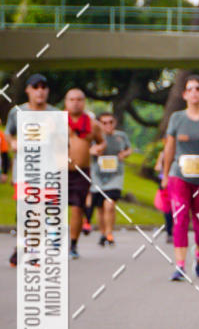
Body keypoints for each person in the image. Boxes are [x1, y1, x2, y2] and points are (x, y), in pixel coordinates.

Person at [161, 74, 199, 280]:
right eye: (190, 89)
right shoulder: (177, 118)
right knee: (180, 218)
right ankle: (180, 266)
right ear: (184, 95)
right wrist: (165, 174)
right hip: (179, 177)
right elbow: (170, 147)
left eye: (198, 88)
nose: (194, 92)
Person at [5, 74, 57, 266]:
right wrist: (13, 143)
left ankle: (32, 252)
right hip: (24, 170)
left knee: (38, 211)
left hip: (46, 170)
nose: (40, 91)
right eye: (36, 87)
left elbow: (63, 141)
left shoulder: (54, 113)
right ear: (28, 90)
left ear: (48, 90)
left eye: (43, 87)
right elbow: (8, 133)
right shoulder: (17, 112)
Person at [64, 88, 105, 259]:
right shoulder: (57, 121)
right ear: (66, 102)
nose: (75, 103)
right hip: (58, 171)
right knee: (52, 208)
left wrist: (98, 148)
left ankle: (73, 245)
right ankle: (53, 242)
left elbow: (102, 142)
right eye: (72, 99)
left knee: (77, 208)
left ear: (84, 102)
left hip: (81, 171)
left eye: (79, 99)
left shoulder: (92, 124)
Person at [89, 112, 132, 246]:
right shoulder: (95, 137)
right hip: (98, 176)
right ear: (99, 124)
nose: (108, 125)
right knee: (100, 208)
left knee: (110, 204)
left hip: (115, 176)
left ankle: (109, 233)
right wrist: (94, 151)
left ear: (115, 123)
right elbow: (88, 150)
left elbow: (129, 149)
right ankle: (102, 233)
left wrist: (124, 154)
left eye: (111, 122)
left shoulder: (121, 136)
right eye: (104, 122)